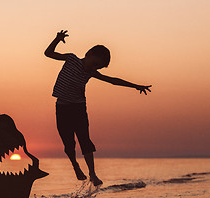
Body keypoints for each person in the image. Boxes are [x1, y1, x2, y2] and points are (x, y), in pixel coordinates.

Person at [45, 30, 151, 186]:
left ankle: (93, 173)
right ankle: (75, 166)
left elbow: (113, 80)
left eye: (98, 67)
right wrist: (57, 39)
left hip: (79, 108)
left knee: (85, 140)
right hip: (62, 108)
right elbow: (48, 53)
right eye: (95, 63)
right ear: (88, 54)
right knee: (68, 143)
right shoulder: (71, 58)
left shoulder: (91, 73)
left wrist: (135, 86)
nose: (95, 68)